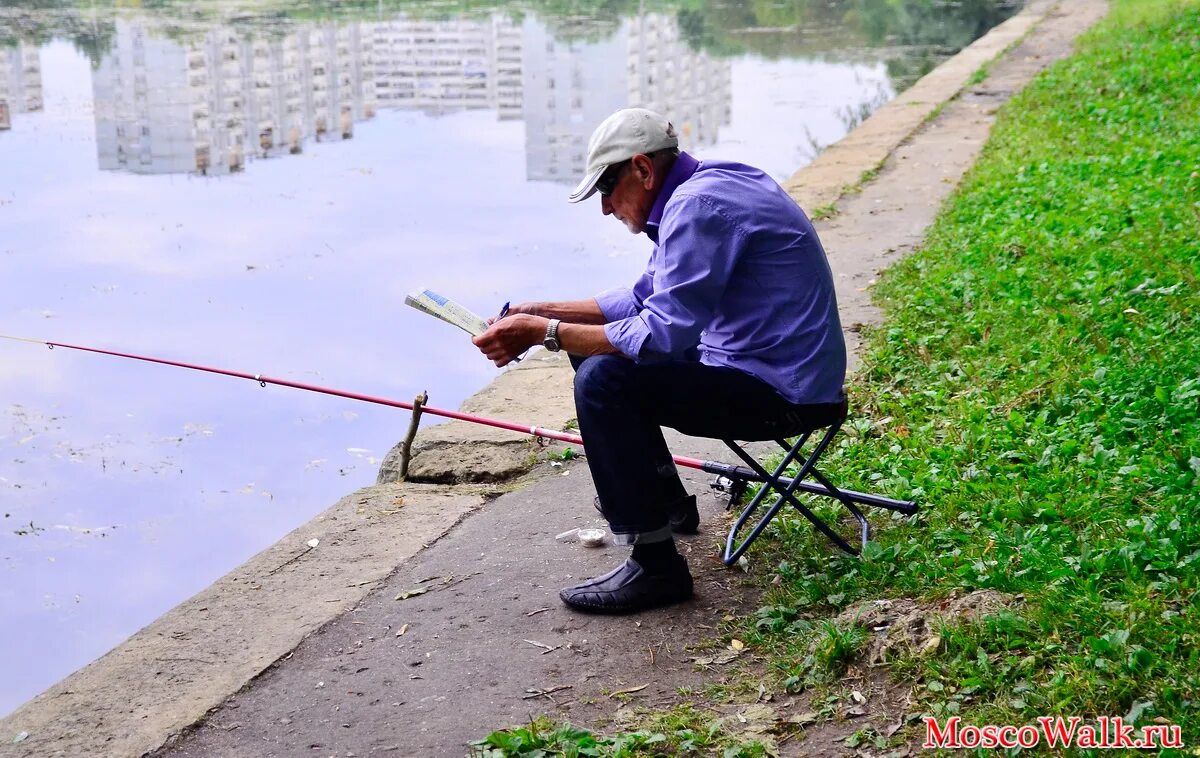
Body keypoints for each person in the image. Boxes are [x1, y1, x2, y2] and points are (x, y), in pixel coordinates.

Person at [472, 108, 846, 614]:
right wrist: (540, 311)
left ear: (643, 170)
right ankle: (667, 510)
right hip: (773, 372)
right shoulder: (707, 186)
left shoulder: (698, 206)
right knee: (597, 354)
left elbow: (660, 335)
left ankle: (657, 569)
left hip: (783, 393)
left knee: (605, 377)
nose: (605, 208)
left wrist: (547, 334)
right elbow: (645, 297)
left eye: (607, 190)